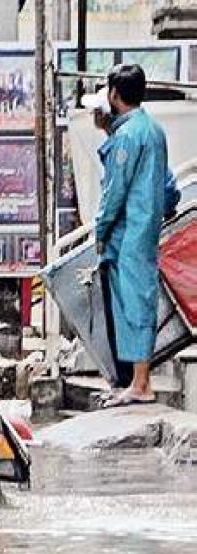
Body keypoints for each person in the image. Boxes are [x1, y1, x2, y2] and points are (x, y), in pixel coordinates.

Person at [93, 64, 173, 408]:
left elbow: (114, 192)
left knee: (134, 304)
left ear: (113, 94)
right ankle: (137, 379)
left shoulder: (126, 136)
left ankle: (140, 382)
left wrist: (100, 229)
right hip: (144, 227)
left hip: (129, 232)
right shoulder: (151, 129)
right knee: (136, 301)